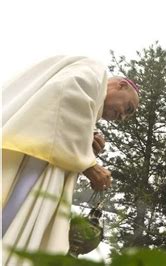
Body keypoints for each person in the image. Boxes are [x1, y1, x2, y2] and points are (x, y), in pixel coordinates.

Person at [2, 55, 140, 265]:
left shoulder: (92, 88)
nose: (123, 117)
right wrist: (89, 164)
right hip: (25, 166)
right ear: (120, 85)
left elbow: (56, 115)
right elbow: (67, 96)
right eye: (128, 108)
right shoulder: (94, 71)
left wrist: (87, 136)